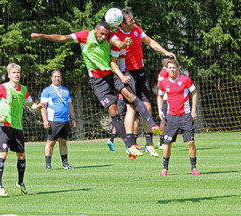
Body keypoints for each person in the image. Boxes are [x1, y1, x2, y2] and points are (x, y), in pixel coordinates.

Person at [31, 20, 160, 159]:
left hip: (111, 74)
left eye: (106, 35)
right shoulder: (84, 36)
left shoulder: (110, 36)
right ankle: (129, 146)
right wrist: (42, 36)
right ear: (95, 30)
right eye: (101, 34)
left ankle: (153, 125)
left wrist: (124, 43)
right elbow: (63, 38)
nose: (104, 37)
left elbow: (118, 43)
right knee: (113, 110)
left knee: (129, 95)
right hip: (97, 81)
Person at [110, 8, 176, 159]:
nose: (134, 22)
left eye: (133, 19)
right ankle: (131, 146)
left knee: (147, 106)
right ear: (122, 24)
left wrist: (165, 52)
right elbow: (113, 60)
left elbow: (150, 42)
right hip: (128, 73)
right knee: (131, 109)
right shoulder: (117, 37)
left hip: (141, 71)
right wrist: (121, 76)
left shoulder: (136, 29)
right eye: (130, 21)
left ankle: (149, 144)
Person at [0, 63, 43, 197]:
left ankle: (20, 182)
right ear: (9, 75)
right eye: (14, 72)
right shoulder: (2, 88)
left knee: (21, 155)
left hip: (17, 126)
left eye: (18, 72)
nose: (16, 74)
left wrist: (38, 106)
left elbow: (30, 104)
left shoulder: (23, 89)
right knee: (3, 154)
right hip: (3, 126)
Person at [157, 59, 200, 176]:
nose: (172, 70)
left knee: (190, 142)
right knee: (168, 143)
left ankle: (194, 168)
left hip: (185, 116)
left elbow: (194, 93)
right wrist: (160, 110)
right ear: (167, 69)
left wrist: (193, 110)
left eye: (174, 68)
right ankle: (164, 169)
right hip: (171, 117)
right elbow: (160, 96)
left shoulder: (185, 80)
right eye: (170, 68)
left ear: (177, 69)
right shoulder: (164, 82)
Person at [41, 70, 77, 170]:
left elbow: (70, 105)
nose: (57, 78)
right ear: (51, 78)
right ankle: (48, 165)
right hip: (53, 120)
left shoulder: (65, 90)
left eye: (59, 77)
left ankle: (65, 164)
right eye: (55, 77)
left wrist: (73, 117)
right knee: (51, 142)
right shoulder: (47, 91)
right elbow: (43, 107)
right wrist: (45, 120)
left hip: (65, 120)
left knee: (63, 142)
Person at [156, 56, 171, 150]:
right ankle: (162, 142)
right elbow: (158, 84)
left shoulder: (167, 71)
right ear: (165, 63)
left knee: (167, 119)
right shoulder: (164, 71)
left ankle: (165, 141)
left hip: (167, 98)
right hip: (163, 99)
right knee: (163, 119)